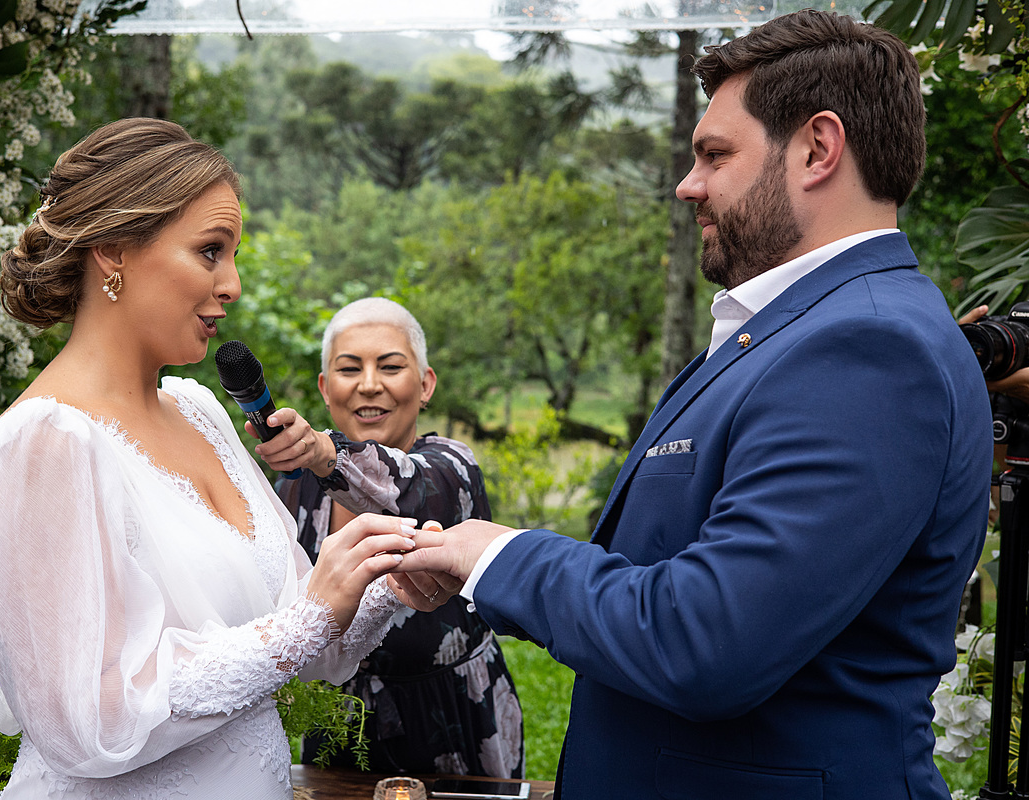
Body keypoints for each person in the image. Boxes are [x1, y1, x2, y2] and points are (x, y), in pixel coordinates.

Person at [390, 10, 993, 799]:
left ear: (818, 148)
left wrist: (500, 555)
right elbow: (664, 565)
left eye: (715, 154)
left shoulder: (869, 351)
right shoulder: (788, 333)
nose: (688, 184)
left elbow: (707, 641)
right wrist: (475, 563)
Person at [0, 118, 426, 800]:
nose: (231, 283)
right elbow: (85, 724)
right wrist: (309, 618)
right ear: (113, 250)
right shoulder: (45, 444)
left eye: (232, 255)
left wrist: (384, 582)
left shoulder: (199, 409)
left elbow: (301, 639)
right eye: (209, 251)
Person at [251, 297, 523, 779]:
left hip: (453, 714)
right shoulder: (294, 487)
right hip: (338, 724)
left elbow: (410, 491)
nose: (369, 384)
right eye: (349, 368)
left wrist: (321, 449)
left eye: (391, 366)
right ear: (326, 387)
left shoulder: (452, 468)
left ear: (425, 385)